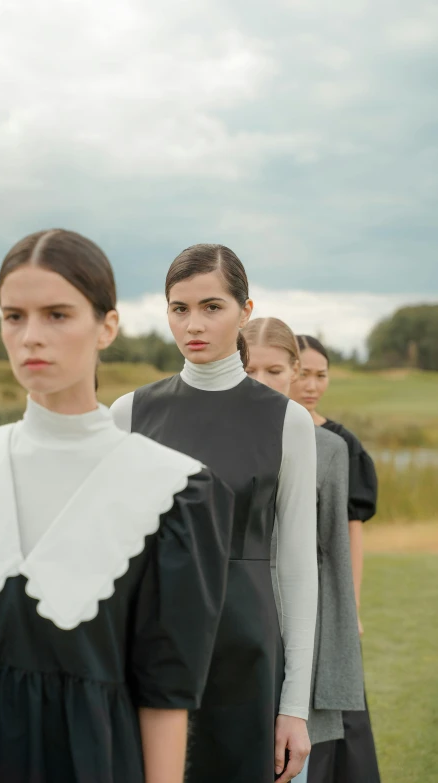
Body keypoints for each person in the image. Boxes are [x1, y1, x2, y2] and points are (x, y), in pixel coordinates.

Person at [0, 229, 235, 783]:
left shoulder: (172, 491)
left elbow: (165, 699)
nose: (31, 336)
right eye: (14, 316)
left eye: (57, 314)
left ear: (106, 326)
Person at [111, 244, 318, 783]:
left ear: (245, 311)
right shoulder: (129, 413)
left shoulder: (288, 421)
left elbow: (296, 569)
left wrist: (294, 707)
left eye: (212, 306)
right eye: (180, 309)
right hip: (146, 653)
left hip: (246, 655)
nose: (193, 324)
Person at [243, 318, 365, 783]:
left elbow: (334, 550)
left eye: (274, 371)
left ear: (294, 370)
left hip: (300, 618)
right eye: (249, 370)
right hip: (237, 613)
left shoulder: (330, 449)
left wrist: (338, 646)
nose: (262, 383)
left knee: (288, 758)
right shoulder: (216, 437)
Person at [290, 334, 381, 783]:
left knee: (337, 701)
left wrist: (352, 607)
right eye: (302, 373)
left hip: (327, 589)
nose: (310, 384)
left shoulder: (339, 444)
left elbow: (349, 535)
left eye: (320, 375)